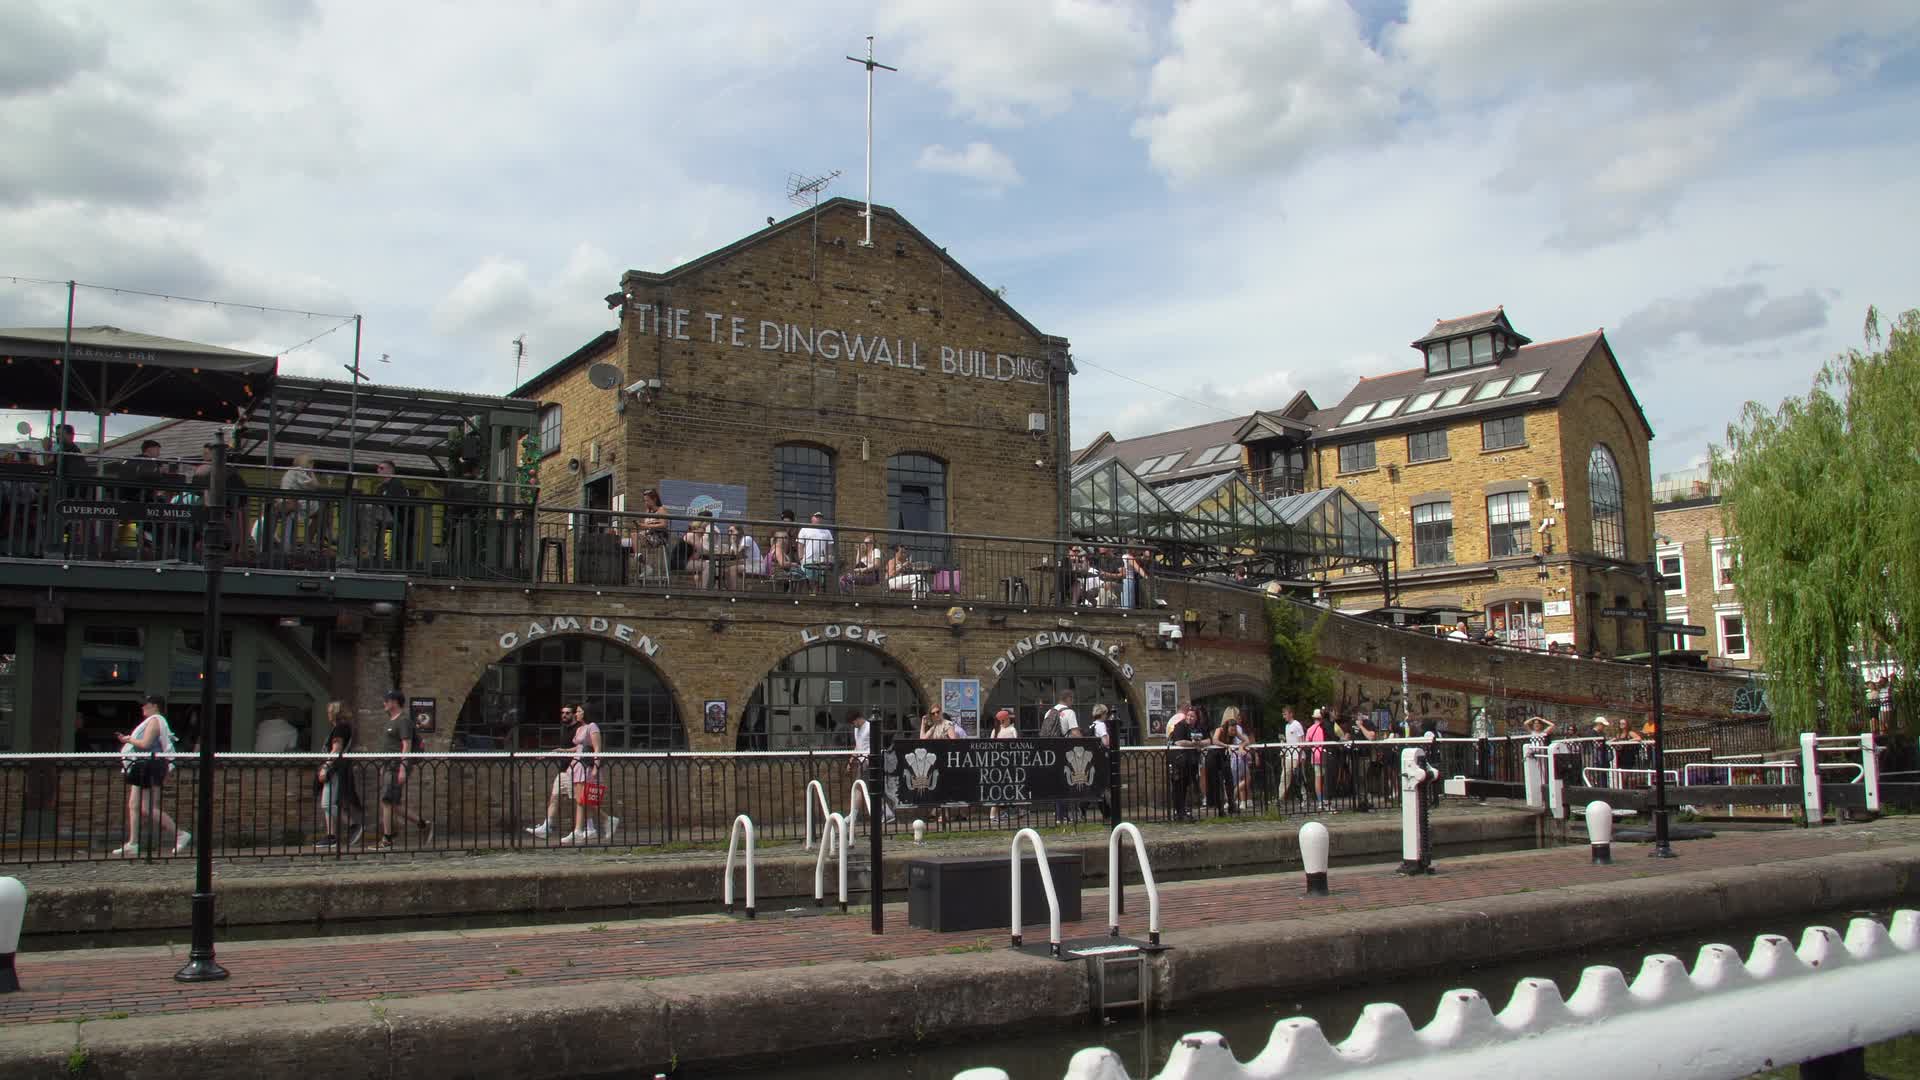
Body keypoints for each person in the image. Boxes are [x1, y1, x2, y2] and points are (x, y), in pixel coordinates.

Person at [112, 694, 188, 856]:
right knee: (133, 804)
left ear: (155, 706)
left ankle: (180, 834)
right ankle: (133, 843)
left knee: (147, 807)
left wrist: (129, 740)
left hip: (151, 765)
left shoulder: (155, 721)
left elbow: (146, 744)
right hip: (143, 765)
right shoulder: (152, 721)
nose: (143, 707)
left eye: (146, 705)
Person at [377, 689, 432, 849]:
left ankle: (387, 839)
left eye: (386, 700)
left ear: (394, 702)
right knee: (393, 803)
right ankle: (423, 824)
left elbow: (406, 745)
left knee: (386, 801)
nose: (384, 703)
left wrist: (403, 767)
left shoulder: (403, 721)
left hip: (396, 766)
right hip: (388, 766)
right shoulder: (391, 721)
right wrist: (382, 766)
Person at [559, 703, 618, 845]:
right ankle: (602, 822)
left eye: (579, 711)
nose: (576, 714)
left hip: (586, 765)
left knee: (582, 799)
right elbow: (579, 747)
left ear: (585, 713)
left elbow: (597, 747)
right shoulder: (580, 728)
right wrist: (564, 751)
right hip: (577, 764)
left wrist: (596, 766)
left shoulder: (592, 726)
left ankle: (580, 830)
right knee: (581, 799)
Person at [316, 700, 364, 848]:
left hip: (335, 769)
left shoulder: (340, 728)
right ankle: (331, 835)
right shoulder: (342, 727)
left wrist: (326, 766)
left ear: (335, 713)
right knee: (329, 803)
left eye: (329, 711)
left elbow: (336, 748)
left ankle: (352, 825)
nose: (328, 714)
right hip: (337, 768)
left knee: (327, 803)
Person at [1164, 704, 1204, 821]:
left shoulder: (1195, 728)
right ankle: (1179, 812)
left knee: (1184, 786)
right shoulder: (1180, 726)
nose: (1190, 718)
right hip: (1178, 761)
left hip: (1189, 762)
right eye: (1189, 715)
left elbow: (1207, 739)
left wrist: (1198, 743)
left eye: (1193, 716)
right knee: (1178, 786)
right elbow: (1178, 742)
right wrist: (1194, 744)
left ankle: (1182, 811)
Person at [988, 708, 1020, 825]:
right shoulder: (1012, 730)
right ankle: (996, 814)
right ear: (1004, 720)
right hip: (1007, 763)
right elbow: (1017, 745)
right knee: (1004, 789)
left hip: (997, 764)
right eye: (1008, 719)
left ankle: (1002, 813)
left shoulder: (994, 732)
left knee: (1001, 789)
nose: (1010, 720)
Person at [637, 488, 670, 579]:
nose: (646, 503)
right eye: (644, 501)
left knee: (640, 535)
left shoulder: (661, 510)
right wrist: (640, 525)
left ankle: (642, 561)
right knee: (634, 535)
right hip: (648, 535)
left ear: (654, 499)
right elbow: (646, 524)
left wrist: (647, 527)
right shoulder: (647, 512)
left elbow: (664, 524)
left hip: (659, 536)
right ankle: (643, 562)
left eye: (647, 500)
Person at [796, 511, 834, 587]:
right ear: (812, 518)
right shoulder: (804, 529)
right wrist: (801, 558)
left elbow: (829, 547)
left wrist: (828, 558)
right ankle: (808, 596)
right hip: (808, 559)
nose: (819, 519)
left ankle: (815, 596)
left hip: (821, 561)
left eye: (820, 517)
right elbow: (800, 545)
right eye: (817, 517)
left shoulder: (827, 531)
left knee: (819, 582)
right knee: (807, 580)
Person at [1305, 707, 1330, 812]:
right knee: (1326, 779)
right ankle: (1325, 800)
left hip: (1315, 755)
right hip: (1325, 754)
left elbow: (1307, 744)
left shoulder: (1310, 729)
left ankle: (1320, 801)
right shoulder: (1325, 728)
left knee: (1318, 779)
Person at [1280, 705, 1306, 807]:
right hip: (1289, 756)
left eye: (1285, 714)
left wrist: (1300, 756)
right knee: (1284, 777)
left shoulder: (1297, 724)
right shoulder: (1287, 726)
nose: (1284, 716)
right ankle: (1280, 799)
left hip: (1297, 756)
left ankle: (1304, 798)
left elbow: (1301, 741)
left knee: (1299, 777)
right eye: (1283, 714)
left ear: (1291, 714)